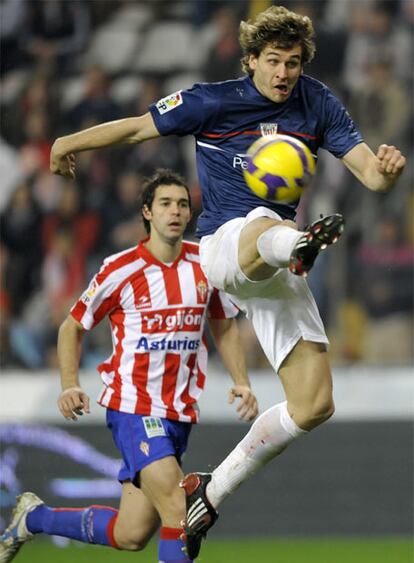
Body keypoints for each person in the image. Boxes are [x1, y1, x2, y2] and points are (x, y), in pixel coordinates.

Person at [48, 6, 406, 558]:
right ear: (250, 61)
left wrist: (385, 170)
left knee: (314, 404)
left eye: (291, 63)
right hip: (225, 246)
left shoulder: (319, 102)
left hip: (277, 261)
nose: (283, 73)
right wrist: (69, 141)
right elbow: (138, 127)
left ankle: (210, 492)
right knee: (270, 225)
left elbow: (368, 174)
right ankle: (298, 244)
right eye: (272, 62)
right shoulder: (211, 100)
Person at [0, 169, 258, 563]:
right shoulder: (121, 268)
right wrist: (69, 383)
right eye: (165, 204)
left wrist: (241, 379)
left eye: (182, 204)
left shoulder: (205, 264)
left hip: (178, 414)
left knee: (131, 533)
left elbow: (222, 323)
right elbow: (72, 326)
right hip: (133, 407)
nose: (175, 211)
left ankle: (33, 518)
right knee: (180, 508)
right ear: (147, 213)